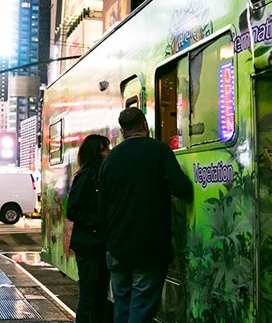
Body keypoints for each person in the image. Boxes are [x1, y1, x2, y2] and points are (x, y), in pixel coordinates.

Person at [98, 107, 193, 322]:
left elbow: (101, 205)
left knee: (121, 305)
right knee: (141, 308)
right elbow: (182, 188)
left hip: (116, 247)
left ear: (122, 131)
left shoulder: (110, 160)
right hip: (148, 247)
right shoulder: (159, 151)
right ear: (144, 125)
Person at [67, 134, 112, 322]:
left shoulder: (100, 176)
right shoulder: (85, 177)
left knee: (99, 294)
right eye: (104, 149)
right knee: (89, 296)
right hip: (89, 245)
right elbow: (73, 210)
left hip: (99, 244)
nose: (108, 152)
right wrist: (98, 221)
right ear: (96, 153)